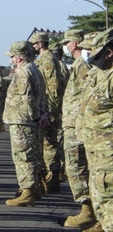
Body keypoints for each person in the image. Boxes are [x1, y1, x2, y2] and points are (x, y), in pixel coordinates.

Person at [2, 39, 46, 207]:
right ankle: (34, 189)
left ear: (19, 57)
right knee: (32, 155)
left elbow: (27, 98)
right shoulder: (34, 70)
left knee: (23, 157)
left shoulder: (24, 72)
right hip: (27, 120)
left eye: (13, 56)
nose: (11, 60)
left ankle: (27, 192)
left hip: (23, 120)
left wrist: (33, 116)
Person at [61, 29, 97, 229]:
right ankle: (88, 209)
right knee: (77, 166)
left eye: (67, 42)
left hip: (78, 125)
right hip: (74, 123)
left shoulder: (84, 65)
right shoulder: (78, 64)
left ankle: (89, 211)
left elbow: (87, 97)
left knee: (78, 167)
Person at [78, 27, 113, 231]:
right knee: (101, 198)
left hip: (109, 155)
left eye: (99, 54)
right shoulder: (103, 74)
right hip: (98, 153)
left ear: (110, 51)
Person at [30, 30, 69, 194]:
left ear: (40, 44)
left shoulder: (48, 60)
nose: (32, 47)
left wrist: (50, 112)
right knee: (45, 143)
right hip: (44, 106)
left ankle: (53, 178)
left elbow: (52, 88)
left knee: (49, 143)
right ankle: (49, 176)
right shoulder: (43, 59)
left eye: (34, 43)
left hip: (48, 107)